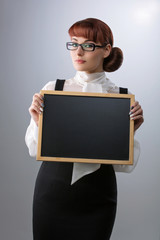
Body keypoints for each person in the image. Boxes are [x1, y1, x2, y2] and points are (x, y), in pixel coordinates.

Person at [25, 18, 144, 240]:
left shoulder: (120, 98)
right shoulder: (53, 90)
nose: (78, 52)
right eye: (73, 43)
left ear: (106, 50)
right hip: (53, 190)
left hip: (98, 194)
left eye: (88, 45)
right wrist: (39, 122)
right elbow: (34, 151)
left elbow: (123, 165)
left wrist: (131, 131)